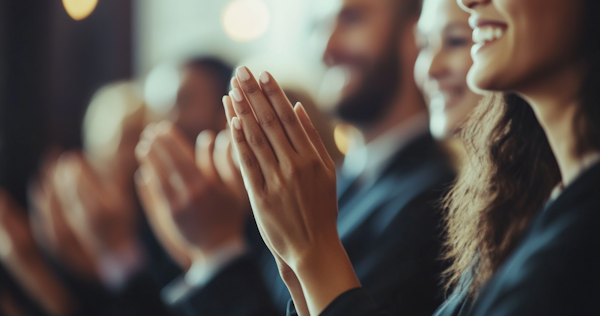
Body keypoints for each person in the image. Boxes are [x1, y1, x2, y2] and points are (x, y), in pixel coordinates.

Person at [225, 0, 600, 315]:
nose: (469, 2)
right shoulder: (521, 206)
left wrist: (310, 251)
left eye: (456, 40)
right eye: (425, 45)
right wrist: (292, 255)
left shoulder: (434, 199)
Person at [136, 0, 457, 315]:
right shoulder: (338, 179)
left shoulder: (435, 198)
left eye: (352, 19)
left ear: (415, 35)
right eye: (319, 26)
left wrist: (218, 251)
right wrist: (206, 252)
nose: (325, 46)